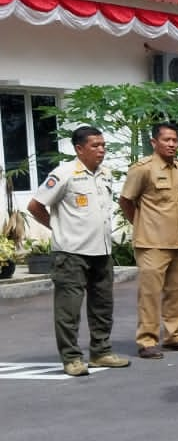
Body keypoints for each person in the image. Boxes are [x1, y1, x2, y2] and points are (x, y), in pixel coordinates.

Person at [27, 125, 130, 376]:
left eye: (103, 145)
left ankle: (101, 352)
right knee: (69, 309)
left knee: (102, 306)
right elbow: (35, 205)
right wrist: (57, 227)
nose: (101, 150)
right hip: (72, 253)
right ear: (79, 149)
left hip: (102, 251)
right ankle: (71, 357)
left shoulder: (105, 173)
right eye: (95, 146)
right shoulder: (64, 174)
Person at [120, 121, 178, 357]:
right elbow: (126, 200)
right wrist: (141, 225)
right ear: (154, 142)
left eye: (175, 140)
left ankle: (173, 335)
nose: (172, 144)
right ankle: (147, 340)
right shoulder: (142, 169)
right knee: (150, 294)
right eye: (166, 140)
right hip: (151, 242)